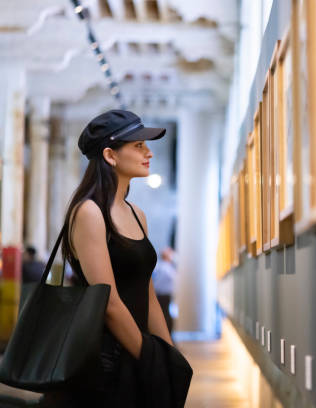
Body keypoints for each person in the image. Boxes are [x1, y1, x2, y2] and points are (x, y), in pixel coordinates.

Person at [39, 110, 189, 407]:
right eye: (138, 145)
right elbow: (108, 302)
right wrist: (150, 358)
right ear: (110, 155)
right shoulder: (89, 212)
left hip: (137, 350)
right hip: (104, 359)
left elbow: (147, 293)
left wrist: (168, 356)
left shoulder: (137, 214)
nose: (149, 153)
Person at [152, 247, 177, 333]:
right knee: (166, 315)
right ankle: (167, 333)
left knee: (163, 314)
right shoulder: (167, 268)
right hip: (164, 295)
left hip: (159, 294)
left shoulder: (158, 267)